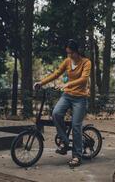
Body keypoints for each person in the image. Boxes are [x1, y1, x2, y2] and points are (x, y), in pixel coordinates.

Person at [34, 39, 91, 167]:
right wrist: (41, 82)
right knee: (56, 114)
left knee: (76, 126)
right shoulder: (67, 62)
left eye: (71, 53)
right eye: (67, 53)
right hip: (67, 95)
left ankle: (77, 156)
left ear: (77, 52)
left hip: (80, 98)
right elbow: (56, 74)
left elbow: (84, 79)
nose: (69, 56)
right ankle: (65, 142)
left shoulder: (86, 63)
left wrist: (68, 84)